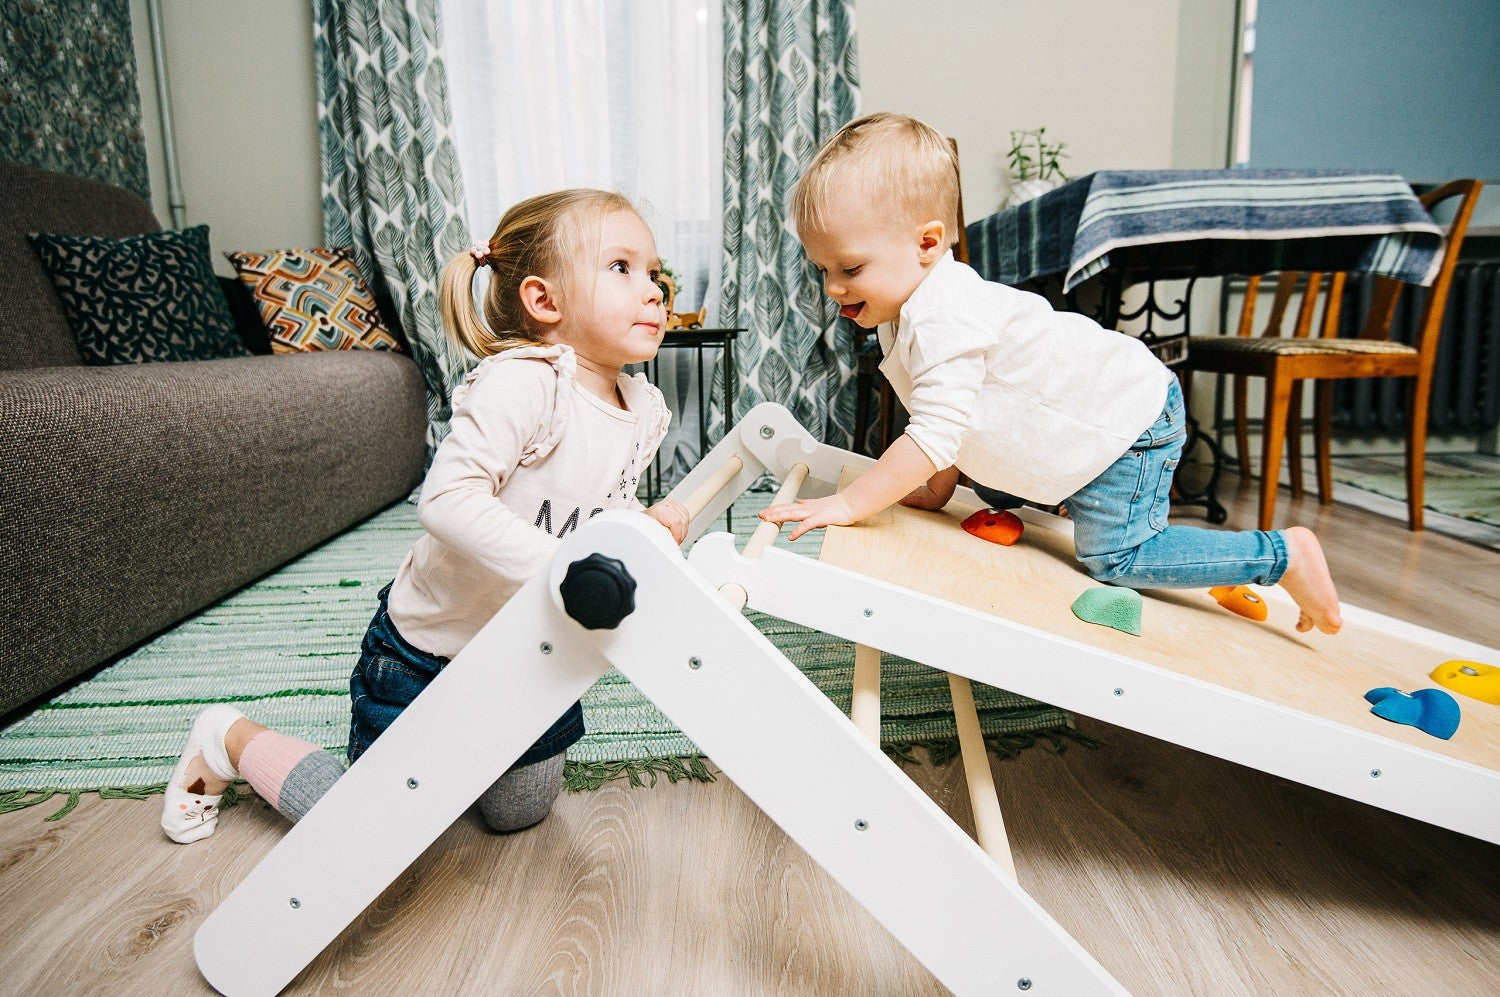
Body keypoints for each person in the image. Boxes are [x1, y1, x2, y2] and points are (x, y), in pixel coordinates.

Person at [162, 189, 692, 844]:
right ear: (544, 300)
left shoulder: (642, 407)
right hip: (429, 650)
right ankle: (227, 738)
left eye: (653, 270)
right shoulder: (526, 382)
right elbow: (447, 500)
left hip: (530, 649)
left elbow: (593, 506)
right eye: (622, 268)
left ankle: (462, 750)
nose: (653, 289)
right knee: (367, 830)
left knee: (518, 810)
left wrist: (641, 523)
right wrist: (563, 566)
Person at [759, 113, 1342, 636]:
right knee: (990, 480)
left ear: (928, 244)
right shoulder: (905, 310)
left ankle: (1281, 555)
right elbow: (947, 419)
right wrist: (935, 492)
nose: (833, 287)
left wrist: (850, 505)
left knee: (1118, 557)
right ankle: (1105, 512)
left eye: (850, 267)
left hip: (1127, 420)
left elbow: (935, 433)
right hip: (1094, 411)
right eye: (823, 269)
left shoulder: (945, 315)